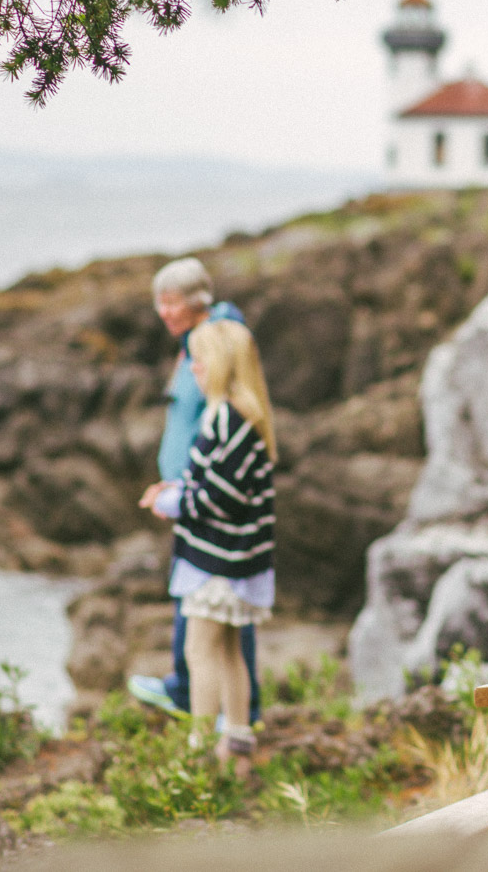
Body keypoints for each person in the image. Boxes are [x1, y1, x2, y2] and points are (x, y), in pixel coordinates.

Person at [127, 257, 261, 722]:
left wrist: (181, 494)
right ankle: (209, 703)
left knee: (218, 610)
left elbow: (227, 422)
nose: (162, 311)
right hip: (191, 494)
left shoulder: (217, 341)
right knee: (210, 609)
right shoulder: (193, 344)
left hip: (207, 500)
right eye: (158, 302)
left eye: (170, 302)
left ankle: (215, 713)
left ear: (197, 302)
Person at [140, 319, 277, 771]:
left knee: (199, 652)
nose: (193, 368)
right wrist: (175, 492)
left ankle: (199, 753)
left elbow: (217, 497)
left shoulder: (229, 420)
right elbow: (217, 486)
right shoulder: (238, 416)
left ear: (218, 365)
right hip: (233, 562)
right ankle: (236, 742)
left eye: (199, 360)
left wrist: (172, 501)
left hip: (219, 564)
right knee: (230, 652)